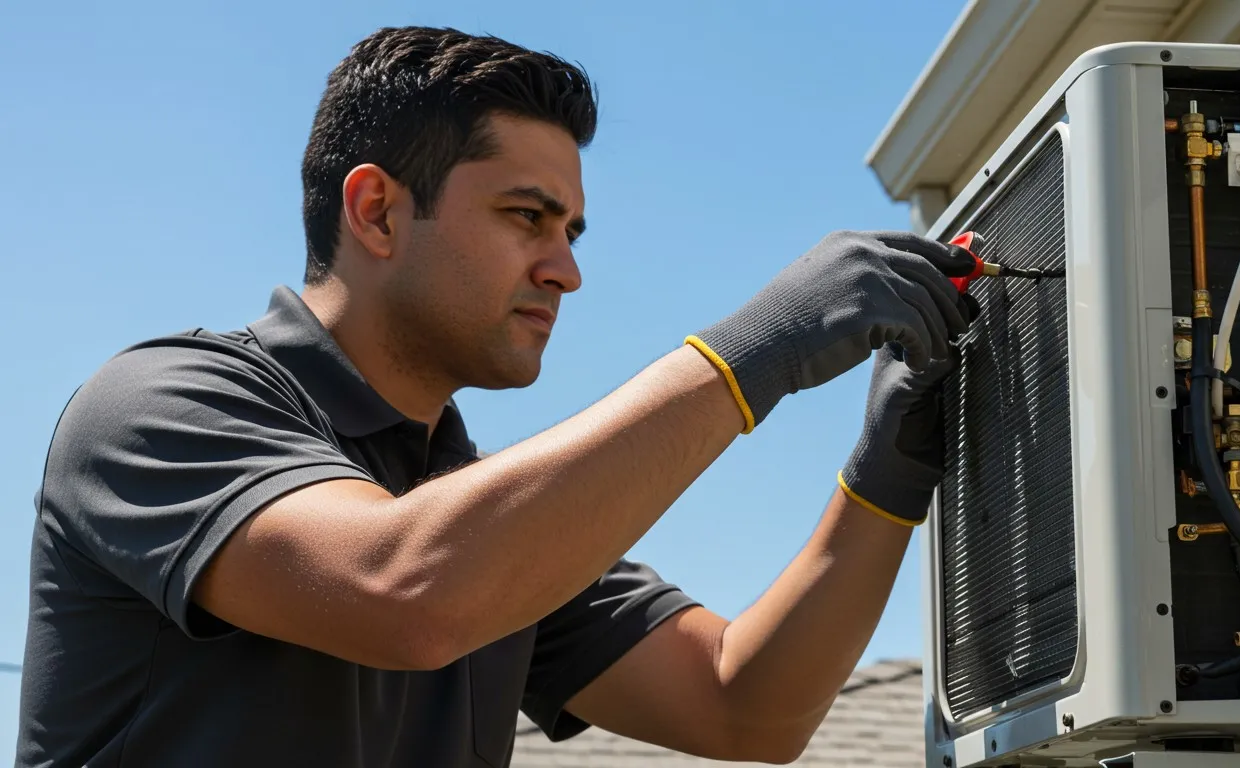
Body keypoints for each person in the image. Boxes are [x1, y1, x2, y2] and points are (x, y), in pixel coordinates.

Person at [15, 25, 981, 768]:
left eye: (572, 232)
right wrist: (756, 351)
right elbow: (407, 588)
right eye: (527, 217)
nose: (564, 271)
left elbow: (745, 705)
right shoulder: (158, 408)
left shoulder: (488, 523)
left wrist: (885, 474)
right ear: (378, 211)